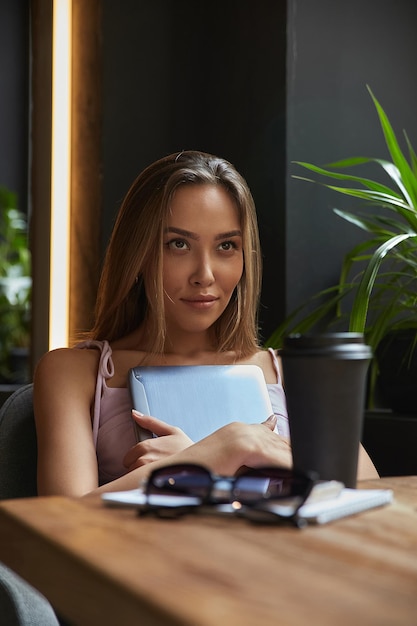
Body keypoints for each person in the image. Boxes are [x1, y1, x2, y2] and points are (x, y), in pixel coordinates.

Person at [33, 150, 378, 497]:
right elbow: (63, 519)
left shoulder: (289, 372)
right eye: (178, 244)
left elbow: (368, 497)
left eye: (226, 245)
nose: (205, 275)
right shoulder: (73, 373)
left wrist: (207, 459)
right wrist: (220, 450)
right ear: (138, 253)